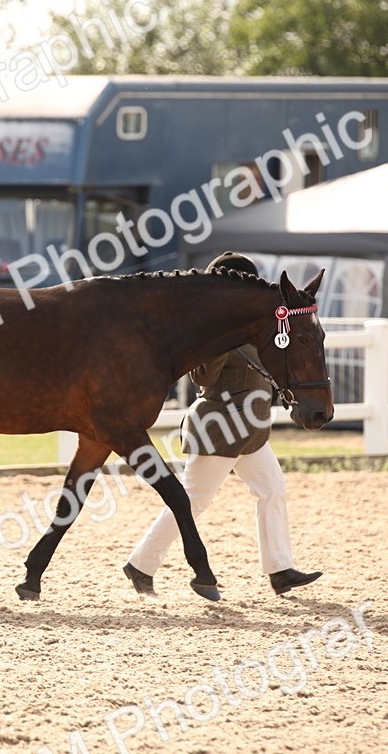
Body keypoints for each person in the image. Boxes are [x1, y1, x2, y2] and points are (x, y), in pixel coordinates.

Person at [122, 252, 322, 597]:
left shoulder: (258, 327)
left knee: (272, 490)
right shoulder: (213, 330)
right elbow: (202, 378)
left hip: (252, 431)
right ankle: (141, 565)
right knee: (194, 501)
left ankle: (280, 570)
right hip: (221, 428)